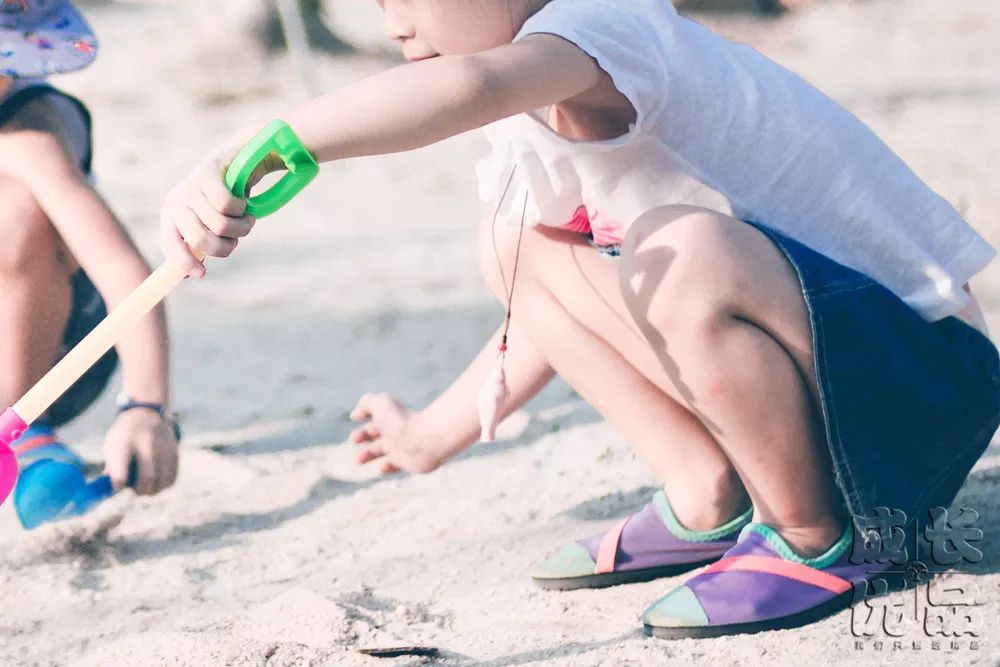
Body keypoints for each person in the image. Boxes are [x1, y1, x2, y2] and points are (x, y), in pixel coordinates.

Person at [159, 0, 999, 638]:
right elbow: (534, 310)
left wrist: (265, 146)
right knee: (520, 243)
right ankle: (707, 492)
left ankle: (816, 535)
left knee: (681, 248)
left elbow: (467, 84)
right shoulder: (533, 128)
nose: (392, 20)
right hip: (827, 375)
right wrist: (427, 435)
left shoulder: (606, 23)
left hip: (917, 386)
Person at [0, 0, 178, 500]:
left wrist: (146, 406)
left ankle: (21, 433)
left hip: (54, 355)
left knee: (11, 211)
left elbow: (121, 269)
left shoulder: (29, 134)